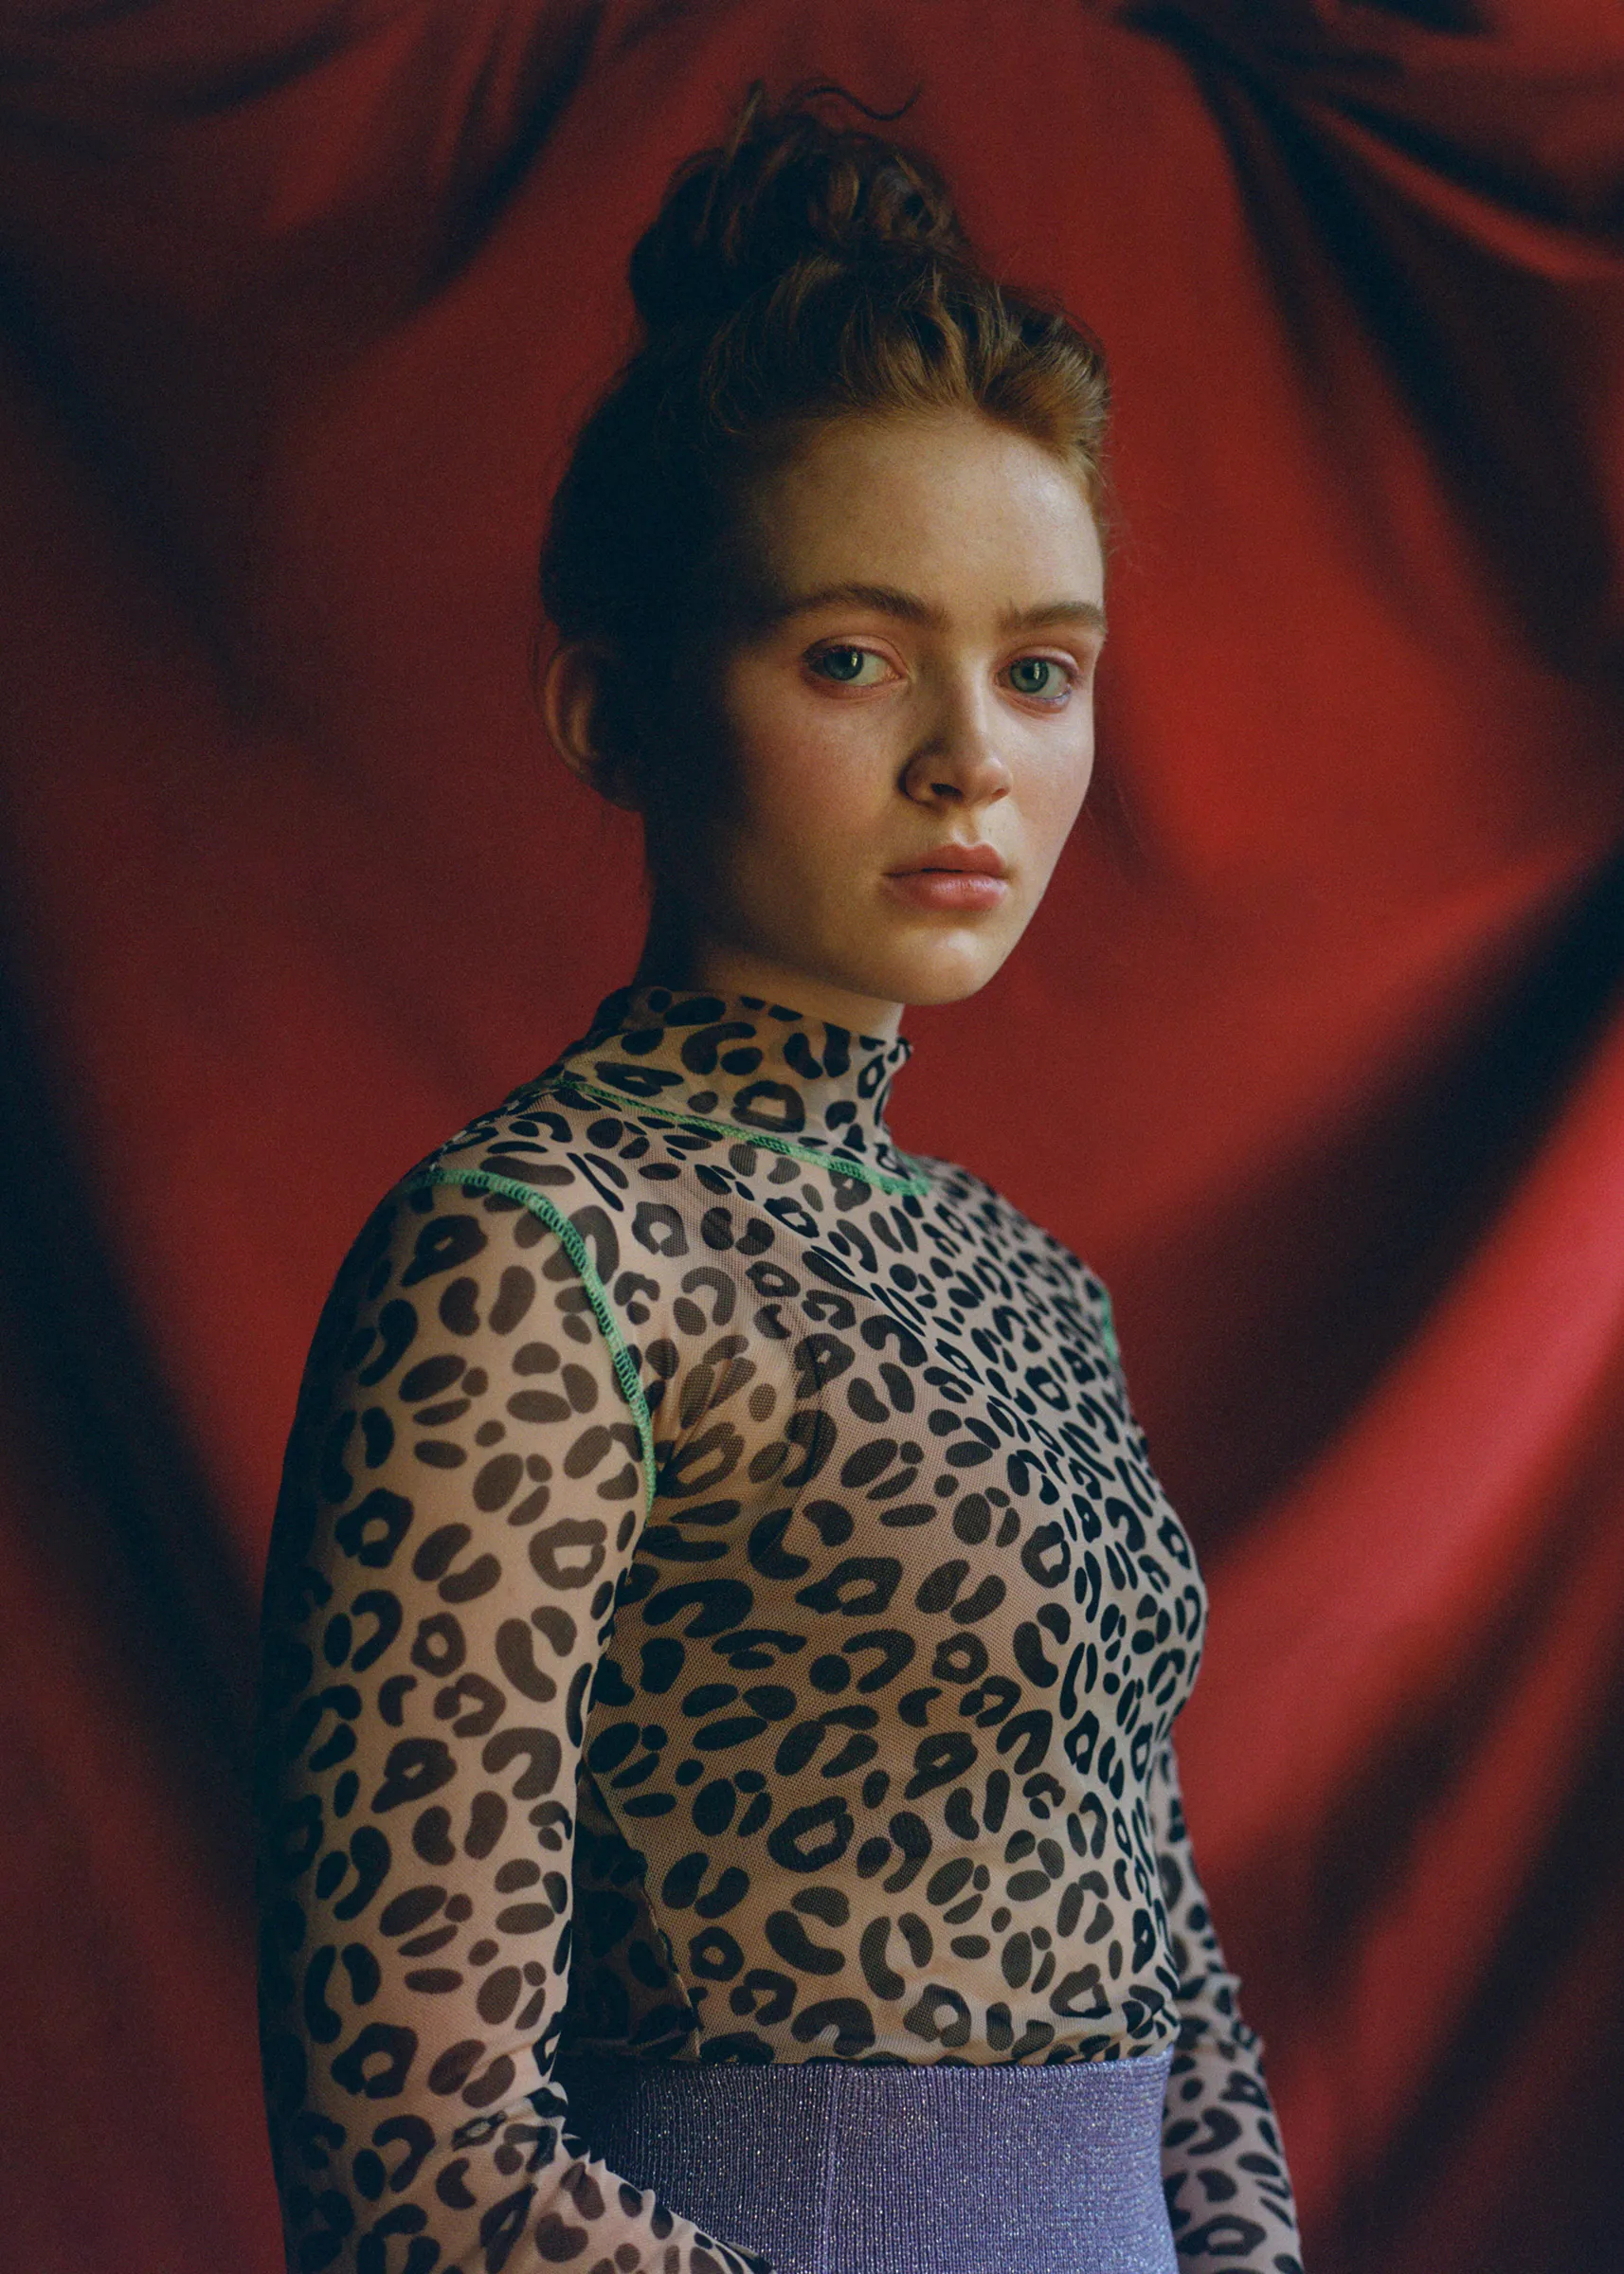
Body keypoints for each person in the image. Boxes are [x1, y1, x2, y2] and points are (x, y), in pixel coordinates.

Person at [255, 85, 1304, 2274]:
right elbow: (414, 2166)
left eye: (1039, 670)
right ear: (611, 709)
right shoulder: (530, 1258)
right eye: (852, 657)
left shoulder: (1024, 1280)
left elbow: (1157, 1963)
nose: (969, 757)